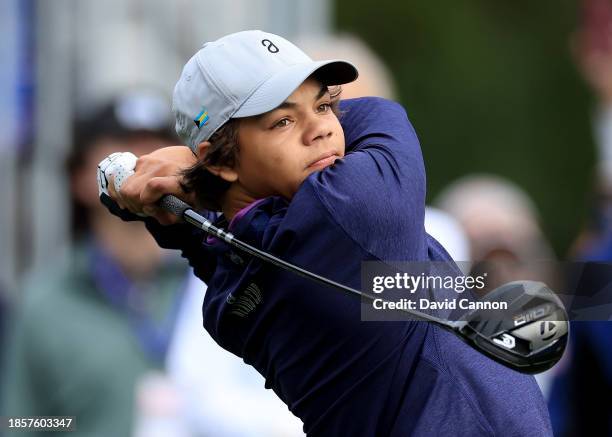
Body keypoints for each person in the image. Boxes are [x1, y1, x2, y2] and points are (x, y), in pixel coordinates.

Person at [102, 30, 553, 436]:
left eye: (323, 105)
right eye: (282, 121)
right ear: (220, 161)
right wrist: (188, 170)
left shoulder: (227, 299)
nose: (320, 129)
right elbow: (381, 113)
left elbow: (196, 233)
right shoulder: (352, 210)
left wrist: (188, 179)